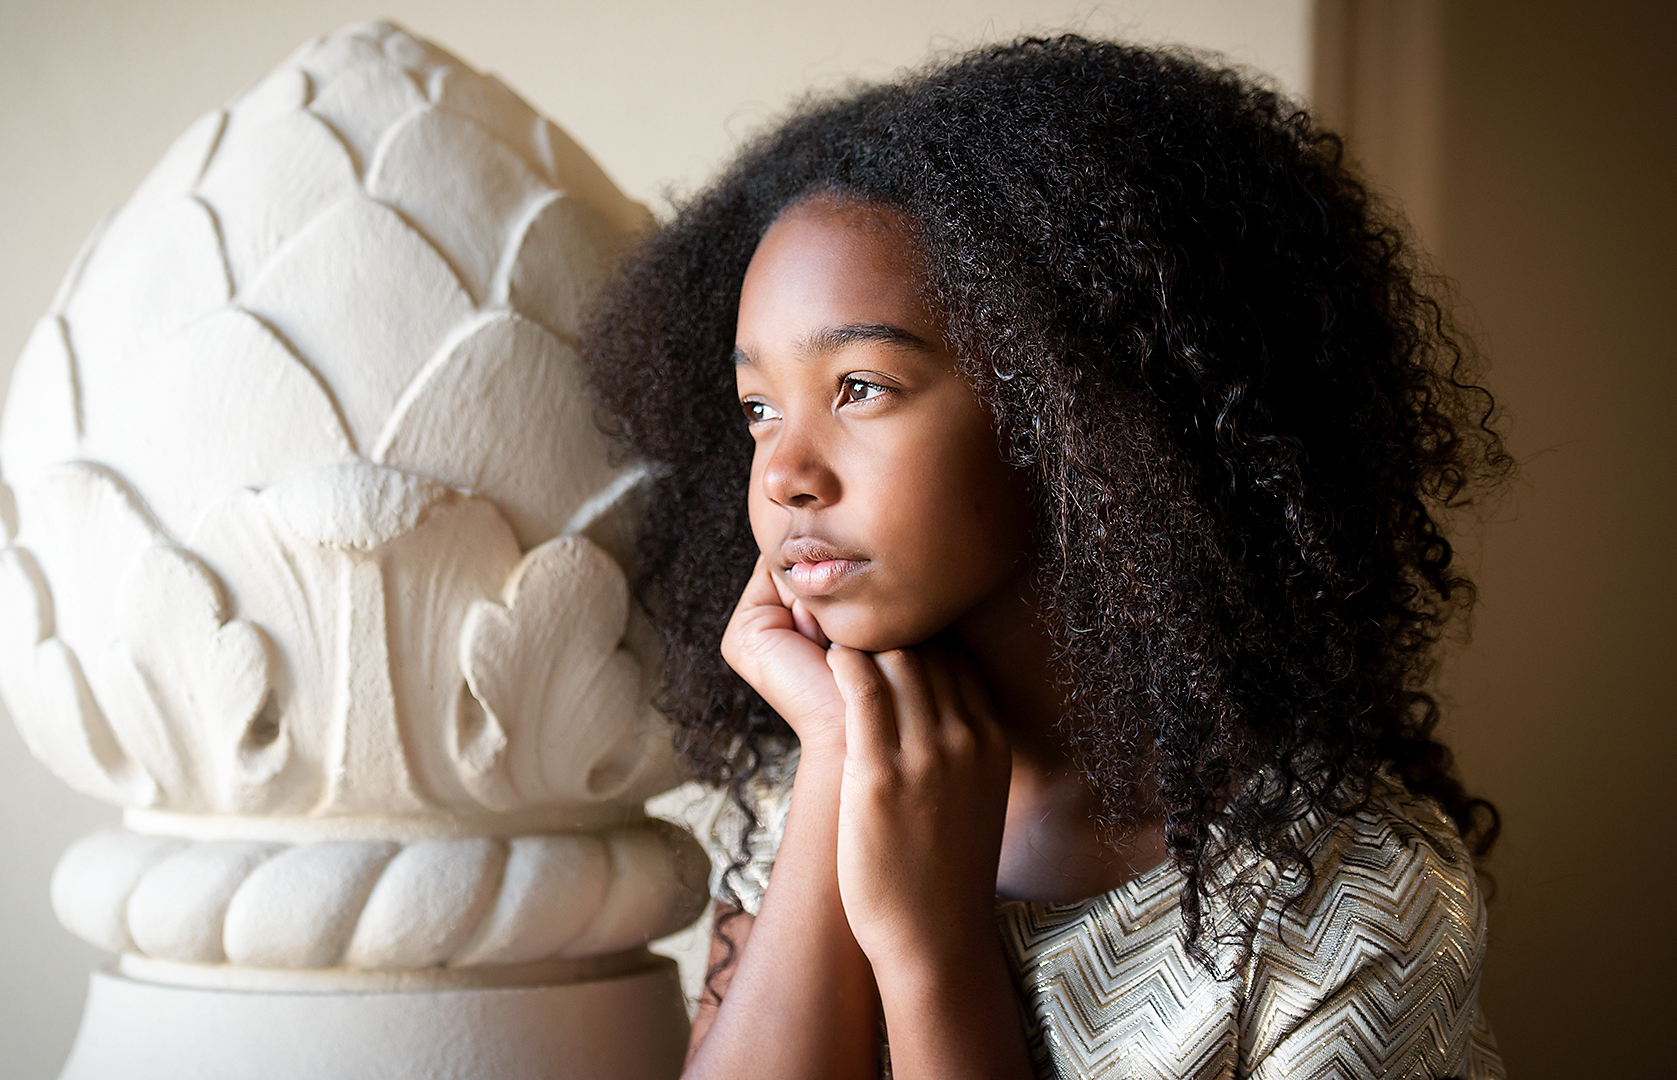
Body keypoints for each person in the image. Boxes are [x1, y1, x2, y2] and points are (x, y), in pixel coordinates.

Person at [584, 35, 1509, 1080]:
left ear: (1074, 411)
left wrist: (934, 952)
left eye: (861, 388)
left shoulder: (1342, 901)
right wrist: (839, 763)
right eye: (759, 407)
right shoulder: (800, 782)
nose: (785, 473)